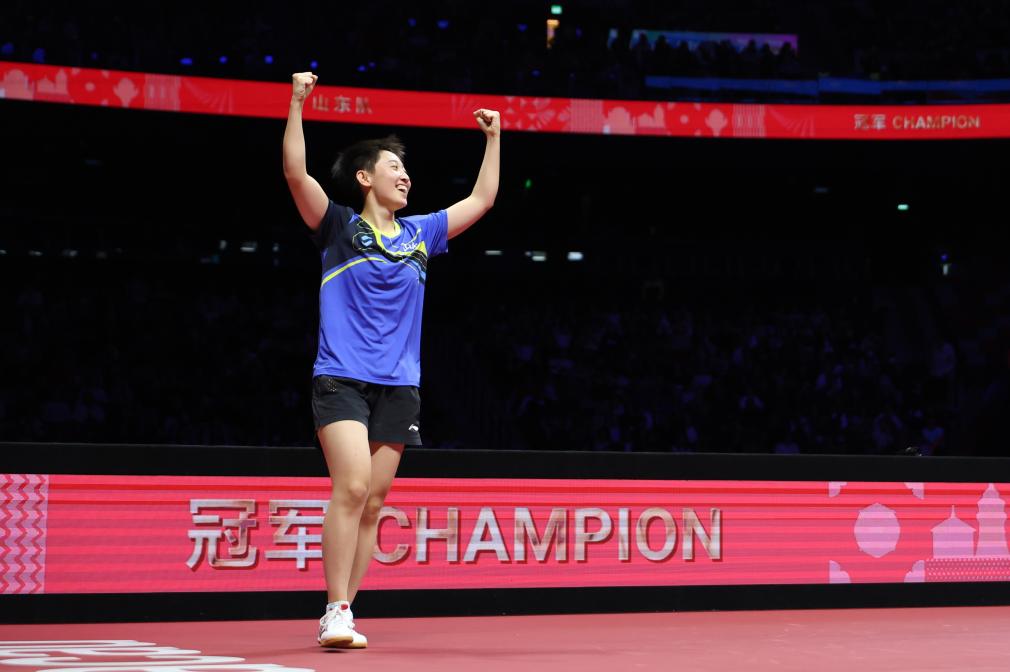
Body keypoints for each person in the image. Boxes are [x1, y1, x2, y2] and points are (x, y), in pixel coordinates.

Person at [282, 71, 500, 649]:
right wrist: (297, 103)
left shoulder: (422, 233)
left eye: (406, 170)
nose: (405, 176)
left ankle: (346, 611)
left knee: (374, 503)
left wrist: (493, 139)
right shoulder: (338, 226)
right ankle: (333, 610)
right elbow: (296, 174)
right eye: (393, 167)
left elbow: (481, 200)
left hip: (400, 385)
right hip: (341, 378)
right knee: (352, 486)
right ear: (365, 177)